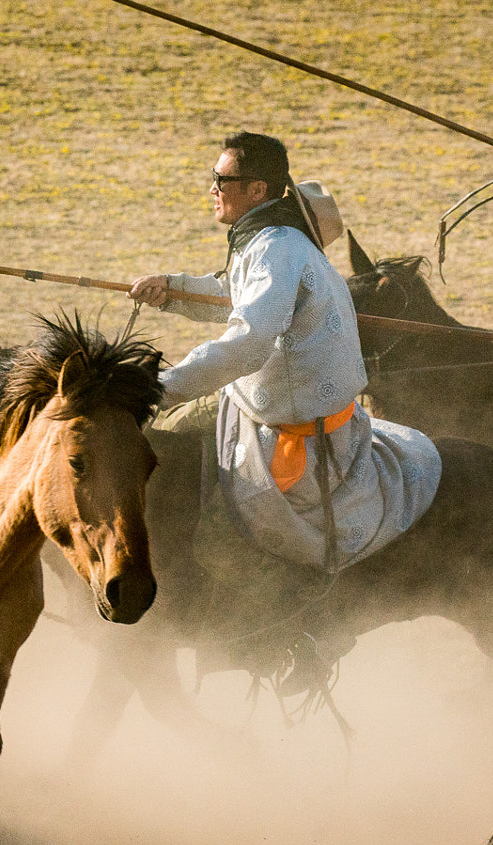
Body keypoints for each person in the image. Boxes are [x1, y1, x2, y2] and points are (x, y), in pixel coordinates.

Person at [127, 132, 440, 583]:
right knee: (157, 438)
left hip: (292, 434)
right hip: (250, 406)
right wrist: (170, 289)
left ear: (257, 190)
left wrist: (162, 386)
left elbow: (249, 340)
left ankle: (272, 624)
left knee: (221, 538)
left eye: (221, 178)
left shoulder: (277, 249)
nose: (212, 188)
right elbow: (230, 294)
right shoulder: (268, 244)